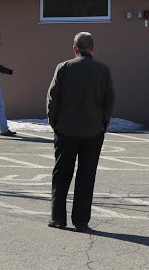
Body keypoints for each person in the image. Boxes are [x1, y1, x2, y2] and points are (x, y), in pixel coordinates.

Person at [46, 31, 115, 231]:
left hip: (65, 130)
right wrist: (103, 125)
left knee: (61, 173)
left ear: (74, 49)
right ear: (93, 48)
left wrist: (54, 124)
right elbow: (108, 102)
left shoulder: (64, 68)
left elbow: (52, 98)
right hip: (93, 131)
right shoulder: (104, 70)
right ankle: (81, 221)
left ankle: (58, 218)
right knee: (86, 175)